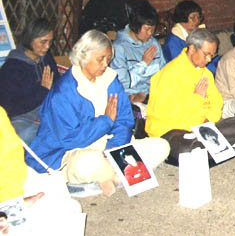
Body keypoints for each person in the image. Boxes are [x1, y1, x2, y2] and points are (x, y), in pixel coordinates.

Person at [26, 30, 169, 197]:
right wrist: (106, 121)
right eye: (100, 59)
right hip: (74, 150)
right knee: (87, 163)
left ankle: (112, 178)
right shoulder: (63, 92)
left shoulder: (110, 80)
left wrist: (114, 147)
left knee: (162, 146)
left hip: (109, 145)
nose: (105, 64)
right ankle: (118, 173)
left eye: (108, 59)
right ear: (83, 56)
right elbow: (69, 139)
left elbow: (124, 120)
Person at [145, 28, 235, 163]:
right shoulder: (170, 74)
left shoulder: (205, 73)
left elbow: (217, 103)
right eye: (206, 54)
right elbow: (168, 115)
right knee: (185, 148)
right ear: (192, 49)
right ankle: (212, 144)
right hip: (172, 130)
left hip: (202, 126)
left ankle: (207, 145)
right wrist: (197, 98)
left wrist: (207, 121)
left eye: (212, 55)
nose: (209, 60)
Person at [1, 105, 83, 232]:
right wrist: (12, 209)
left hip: (10, 188)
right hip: (8, 202)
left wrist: (11, 205)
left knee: (69, 209)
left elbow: (10, 159)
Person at [0, 18, 58, 144]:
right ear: (30, 39)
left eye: (50, 41)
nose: (47, 46)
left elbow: (57, 87)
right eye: (43, 42)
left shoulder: (46, 59)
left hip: (48, 109)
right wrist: (42, 91)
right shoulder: (12, 68)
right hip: (22, 118)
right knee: (22, 136)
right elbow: (7, 108)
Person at [110, 0, 165, 103]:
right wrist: (143, 64)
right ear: (135, 26)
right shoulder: (119, 48)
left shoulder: (153, 43)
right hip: (132, 98)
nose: (150, 33)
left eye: (152, 30)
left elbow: (163, 73)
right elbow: (123, 84)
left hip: (154, 95)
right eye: (147, 29)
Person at [162, 0, 219, 74]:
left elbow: (213, 58)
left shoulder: (201, 33)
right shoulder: (173, 42)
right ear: (182, 17)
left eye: (198, 17)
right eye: (192, 17)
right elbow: (181, 68)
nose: (197, 21)